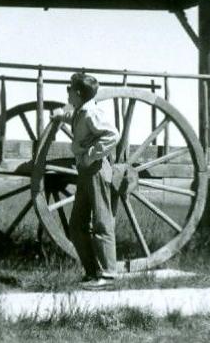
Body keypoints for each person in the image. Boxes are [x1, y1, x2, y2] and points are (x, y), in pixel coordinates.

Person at [52, 73, 120, 290]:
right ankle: (92, 273)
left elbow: (111, 135)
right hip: (86, 171)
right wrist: (61, 117)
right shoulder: (82, 111)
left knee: (102, 222)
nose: (67, 91)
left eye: (69, 88)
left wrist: (91, 155)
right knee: (77, 225)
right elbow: (76, 121)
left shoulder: (92, 111)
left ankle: (108, 275)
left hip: (96, 170)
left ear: (78, 93)